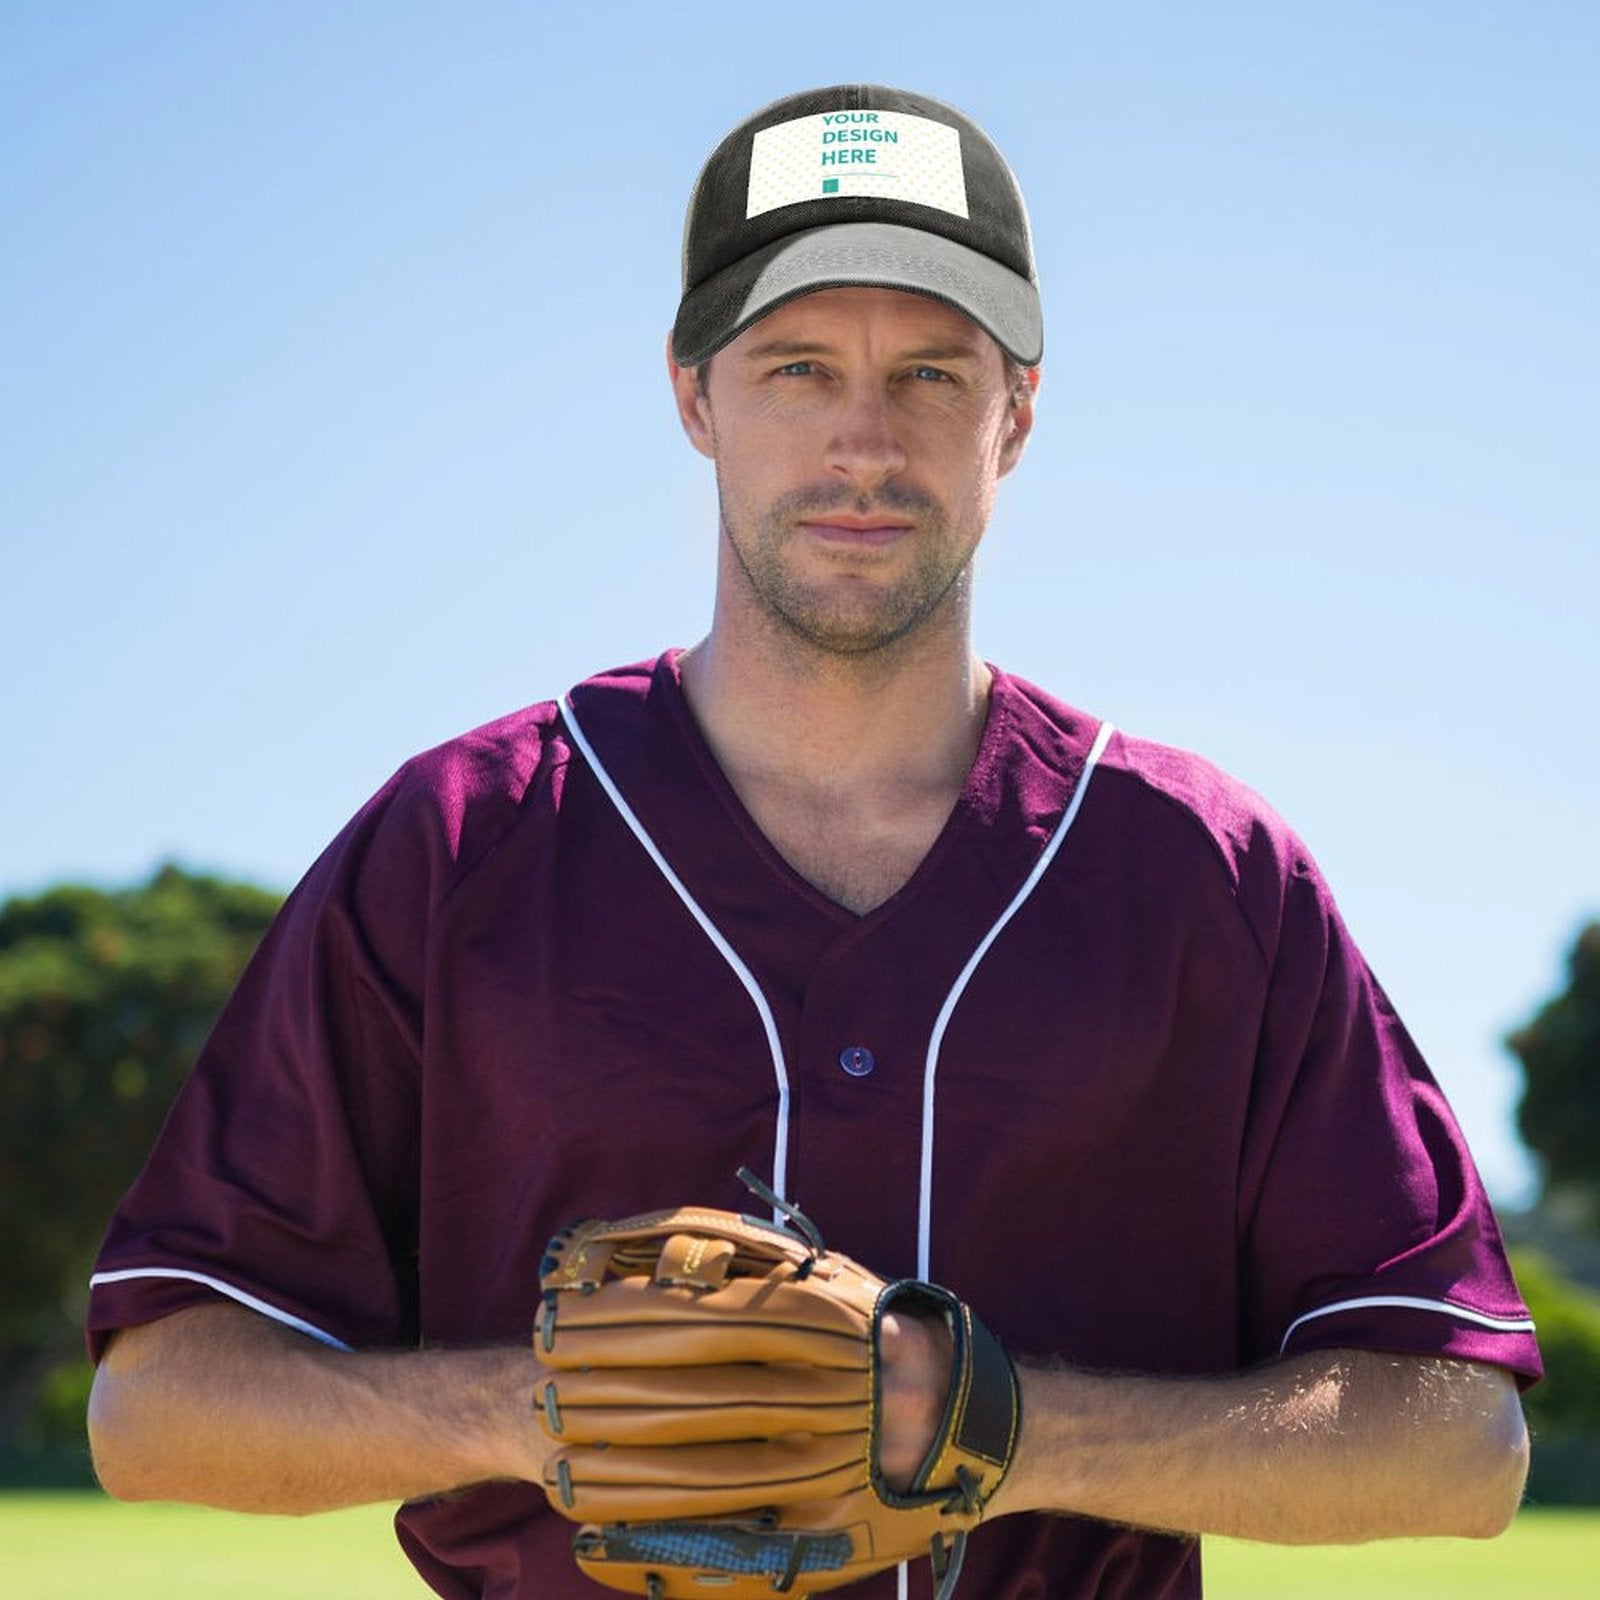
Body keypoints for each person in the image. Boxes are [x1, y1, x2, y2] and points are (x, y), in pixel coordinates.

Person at [85, 85, 1541, 1599]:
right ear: (695, 396)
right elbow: (159, 1404)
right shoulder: (459, 845)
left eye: (930, 370)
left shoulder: (1203, 875)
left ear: (1016, 415)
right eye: (796, 366)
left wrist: (999, 1429)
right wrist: (550, 1412)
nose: (865, 437)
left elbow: (1456, 1440)